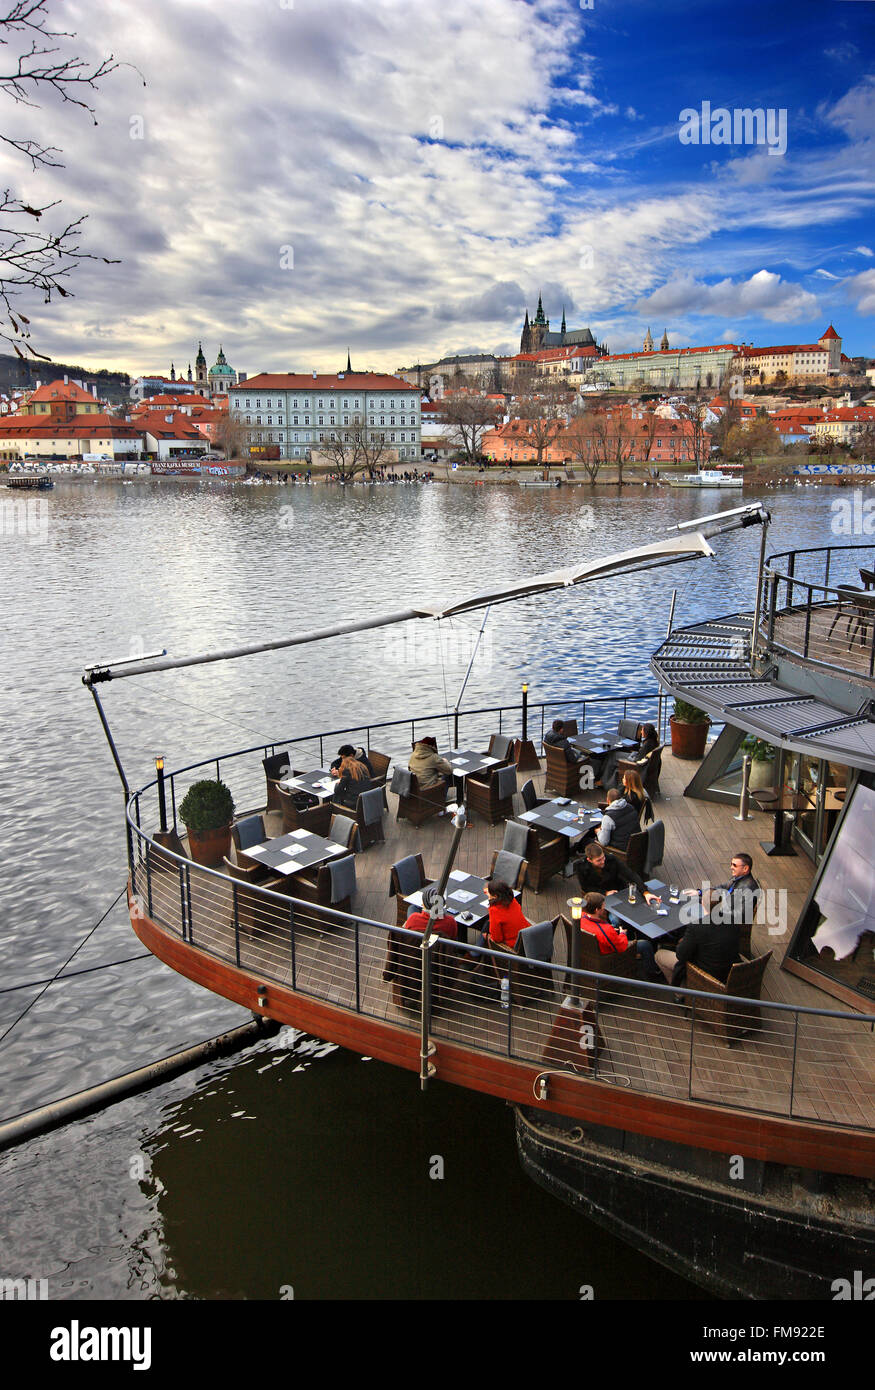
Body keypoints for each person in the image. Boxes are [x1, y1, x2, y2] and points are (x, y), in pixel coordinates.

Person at [578, 892, 657, 979]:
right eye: (603, 906)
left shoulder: (580, 917)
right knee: (645, 945)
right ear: (597, 910)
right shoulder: (606, 930)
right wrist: (623, 933)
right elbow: (621, 947)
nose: (605, 907)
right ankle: (651, 973)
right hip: (609, 956)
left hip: (592, 950)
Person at [576, 840, 658, 904]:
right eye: (599, 860)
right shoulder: (581, 867)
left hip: (617, 892)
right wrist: (605, 893)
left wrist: (645, 892)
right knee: (615, 919)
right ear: (589, 860)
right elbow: (586, 888)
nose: (603, 861)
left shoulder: (611, 859)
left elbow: (631, 874)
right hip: (597, 897)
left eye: (603, 857)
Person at [602, 722, 659, 790]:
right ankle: (605, 778)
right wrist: (633, 753)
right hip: (638, 759)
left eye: (642, 730)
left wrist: (630, 756)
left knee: (612, 756)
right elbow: (640, 755)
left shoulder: (647, 745)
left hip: (634, 763)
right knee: (613, 755)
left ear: (646, 733)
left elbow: (636, 760)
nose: (641, 732)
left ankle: (604, 781)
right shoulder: (653, 742)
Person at [478, 878, 529, 951]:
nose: (487, 893)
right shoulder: (512, 900)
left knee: (485, 933)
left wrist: (487, 936)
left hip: (514, 945)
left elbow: (497, 939)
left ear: (495, 896)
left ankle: (474, 954)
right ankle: (474, 953)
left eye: (489, 892)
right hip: (525, 936)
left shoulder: (495, 911)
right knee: (488, 923)